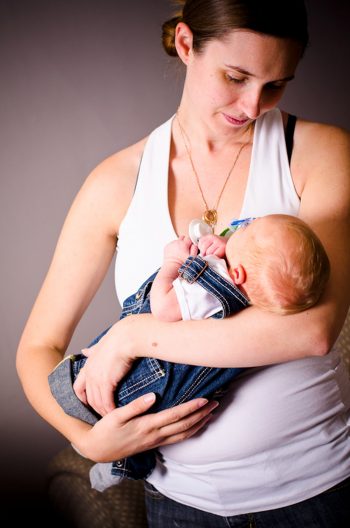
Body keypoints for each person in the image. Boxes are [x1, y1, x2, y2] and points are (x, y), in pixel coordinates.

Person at [16, 1, 350, 526]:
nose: (253, 104)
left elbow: (312, 330)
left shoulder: (318, 153)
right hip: (181, 505)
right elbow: (37, 349)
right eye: (236, 76)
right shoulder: (116, 182)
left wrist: (133, 336)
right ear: (186, 44)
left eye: (276, 84)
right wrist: (88, 439)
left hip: (317, 490)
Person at [48, 214, 330, 492]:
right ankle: (125, 461)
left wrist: (171, 263)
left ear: (237, 274)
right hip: (188, 460)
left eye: (245, 230)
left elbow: (163, 308)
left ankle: (121, 459)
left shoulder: (211, 286)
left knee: (86, 388)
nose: (240, 225)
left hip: (146, 378)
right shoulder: (252, 295)